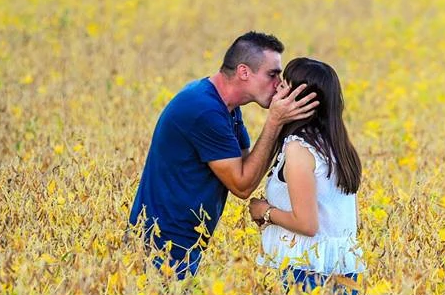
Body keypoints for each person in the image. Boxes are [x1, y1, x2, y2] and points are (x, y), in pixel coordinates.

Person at [129, 32, 318, 278]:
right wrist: (275, 122)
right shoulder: (204, 110)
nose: (279, 84)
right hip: (161, 245)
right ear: (243, 72)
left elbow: (248, 168)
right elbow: (242, 186)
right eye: (272, 74)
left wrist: (280, 124)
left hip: (180, 242)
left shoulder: (226, 108)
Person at [249, 57, 364, 295]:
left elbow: (307, 224)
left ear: (300, 98)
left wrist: (264, 212)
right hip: (342, 269)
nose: (277, 89)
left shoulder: (300, 149)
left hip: (304, 272)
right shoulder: (337, 147)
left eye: (284, 86)